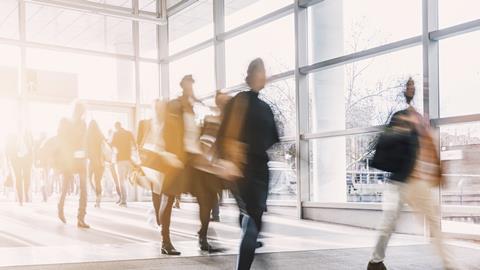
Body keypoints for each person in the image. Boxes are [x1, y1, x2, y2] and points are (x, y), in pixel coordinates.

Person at [367, 78, 455, 270]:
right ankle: (375, 262)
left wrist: (438, 174)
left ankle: (449, 264)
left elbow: (429, 153)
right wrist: (404, 130)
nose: (412, 90)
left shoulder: (421, 122)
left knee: (429, 222)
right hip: (402, 181)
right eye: (410, 87)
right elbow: (386, 143)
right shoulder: (401, 117)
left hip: (415, 182)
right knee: (389, 223)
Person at [217, 58, 279, 270]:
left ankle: (247, 240)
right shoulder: (244, 103)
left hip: (255, 169)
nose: (264, 76)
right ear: (252, 75)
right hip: (245, 169)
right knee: (253, 219)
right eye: (261, 71)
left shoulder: (261, 106)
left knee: (253, 218)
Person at [137, 99, 184, 256]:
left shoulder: (170, 123)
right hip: (154, 167)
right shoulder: (146, 124)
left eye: (162, 108)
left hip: (168, 167)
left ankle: (165, 238)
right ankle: (165, 240)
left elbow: (176, 144)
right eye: (158, 108)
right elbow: (140, 146)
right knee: (163, 199)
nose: (160, 111)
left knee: (167, 200)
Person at [57, 102, 90, 228]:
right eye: (79, 111)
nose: (81, 114)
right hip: (68, 160)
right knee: (65, 187)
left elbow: (84, 140)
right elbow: (60, 139)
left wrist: (84, 151)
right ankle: (60, 207)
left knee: (84, 189)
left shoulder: (83, 124)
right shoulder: (64, 121)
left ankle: (81, 218)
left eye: (82, 112)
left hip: (80, 159)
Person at [111, 122, 136, 207]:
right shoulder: (129, 133)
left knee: (121, 181)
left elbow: (111, 145)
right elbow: (135, 145)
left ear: (116, 127)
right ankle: (129, 180)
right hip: (128, 159)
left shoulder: (115, 134)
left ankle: (124, 200)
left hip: (120, 160)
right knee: (126, 178)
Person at [5, 130, 34, 206]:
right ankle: (21, 199)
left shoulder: (27, 133)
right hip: (15, 159)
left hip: (26, 158)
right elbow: (7, 147)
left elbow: (32, 145)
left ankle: (25, 195)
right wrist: (8, 159)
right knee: (18, 178)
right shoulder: (12, 134)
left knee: (26, 177)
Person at [87, 120, 106, 208]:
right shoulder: (100, 136)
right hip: (100, 162)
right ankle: (98, 198)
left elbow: (86, 150)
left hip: (92, 162)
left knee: (90, 179)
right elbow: (105, 147)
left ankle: (97, 196)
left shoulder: (88, 137)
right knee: (97, 181)